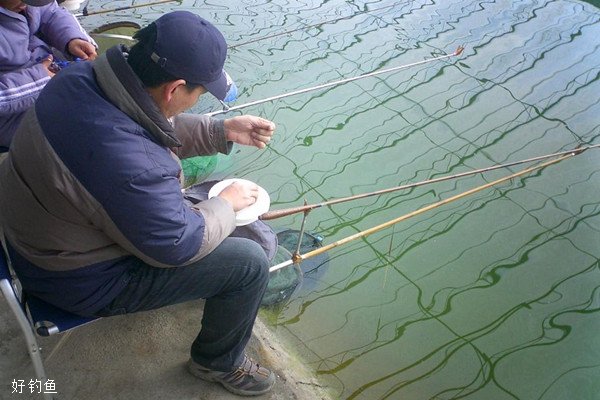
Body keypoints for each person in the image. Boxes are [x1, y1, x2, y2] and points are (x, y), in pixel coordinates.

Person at [0, 11, 278, 396]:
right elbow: (177, 246)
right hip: (73, 279)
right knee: (247, 264)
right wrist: (228, 205)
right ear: (175, 88)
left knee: (205, 204)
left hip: (33, 233)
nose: (196, 100)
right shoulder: (135, 168)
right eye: (198, 93)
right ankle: (218, 362)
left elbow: (136, 124)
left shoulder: (78, 78)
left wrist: (219, 130)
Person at [0, 0, 97, 150]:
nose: (27, 5)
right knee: (87, 129)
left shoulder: (27, 4)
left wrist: (72, 39)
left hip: (46, 75)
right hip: (12, 117)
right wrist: (38, 79)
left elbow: (50, 12)